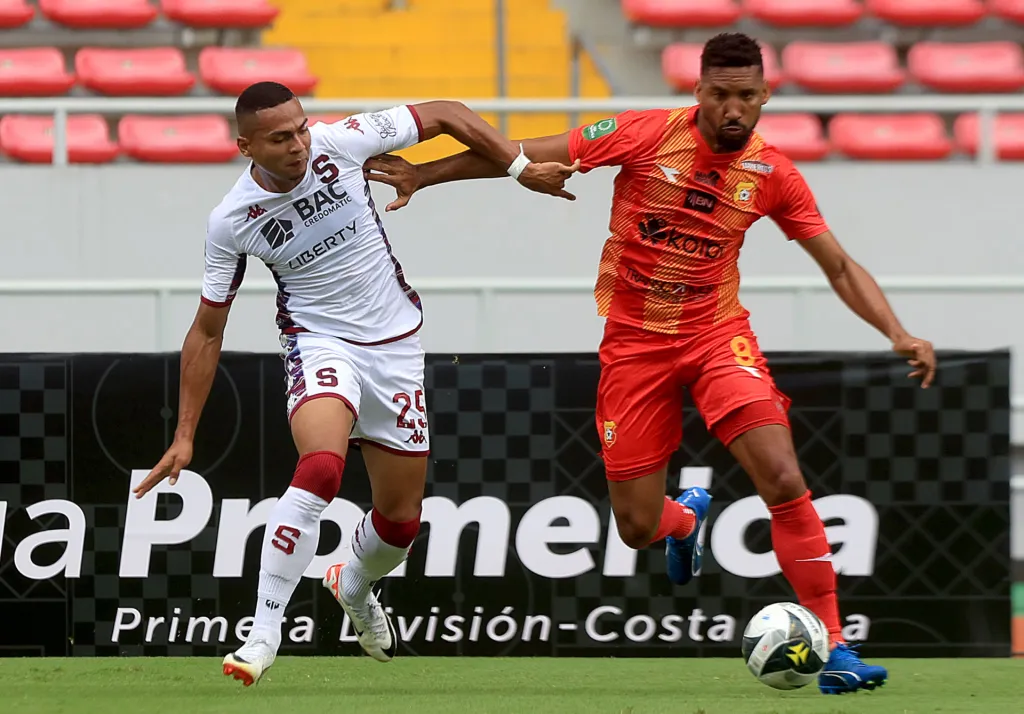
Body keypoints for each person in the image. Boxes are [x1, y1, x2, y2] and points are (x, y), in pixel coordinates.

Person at [362, 33, 937, 695]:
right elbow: (523, 151)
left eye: (745, 96)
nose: (732, 108)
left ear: (764, 96)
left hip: (718, 337)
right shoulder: (644, 134)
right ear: (699, 91)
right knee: (637, 527)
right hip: (634, 347)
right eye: (720, 94)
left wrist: (896, 331)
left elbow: (836, 264)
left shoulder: (773, 174)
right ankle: (684, 521)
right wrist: (423, 174)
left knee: (782, 475)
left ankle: (835, 645)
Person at [131, 81, 578, 686]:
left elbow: (447, 112)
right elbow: (207, 330)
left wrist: (518, 168)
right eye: (280, 137)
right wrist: (185, 434)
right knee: (321, 468)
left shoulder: (341, 142)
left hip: (395, 348)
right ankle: (263, 634)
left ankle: (355, 583)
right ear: (246, 146)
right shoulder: (232, 221)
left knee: (400, 524)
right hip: (319, 342)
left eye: (301, 128)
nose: (298, 144)